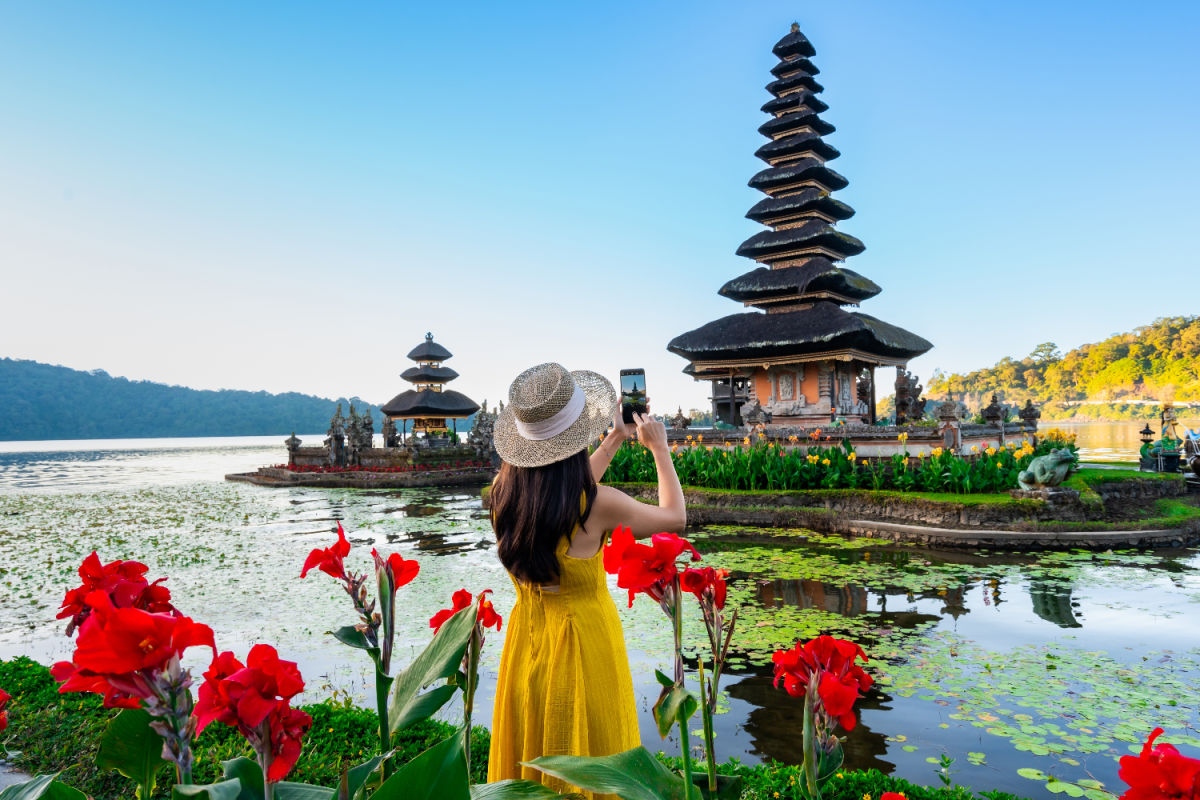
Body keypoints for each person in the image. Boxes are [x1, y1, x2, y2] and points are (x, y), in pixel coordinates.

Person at [486, 362, 686, 797]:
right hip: (584, 644)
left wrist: (615, 437)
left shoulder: (504, 494)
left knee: (532, 746)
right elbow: (675, 516)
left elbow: (557, 493)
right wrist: (659, 449)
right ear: (577, 436)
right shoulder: (601, 505)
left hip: (527, 643)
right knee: (593, 753)